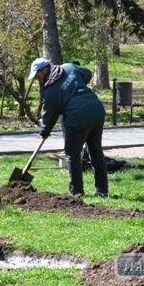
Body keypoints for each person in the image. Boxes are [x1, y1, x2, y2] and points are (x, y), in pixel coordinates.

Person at [28, 58, 109, 197]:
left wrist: (44, 131)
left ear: (45, 69)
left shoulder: (51, 90)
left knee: (72, 153)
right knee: (96, 151)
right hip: (96, 110)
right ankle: (102, 191)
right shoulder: (69, 68)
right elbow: (87, 73)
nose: (37, 79)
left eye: (37, 75)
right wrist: (77, 87)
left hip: (77, 118)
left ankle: (76, 191)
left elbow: (50, 114)